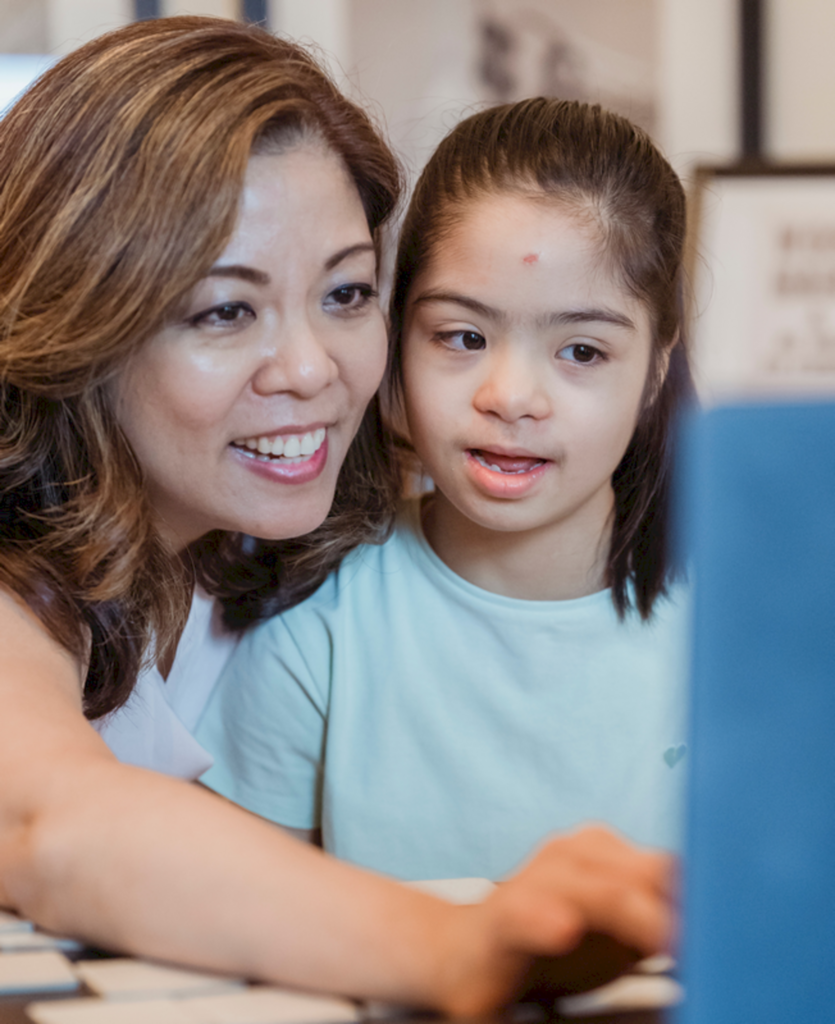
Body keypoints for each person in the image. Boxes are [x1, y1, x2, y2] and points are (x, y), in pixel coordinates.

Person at [0, 20, 673, 1014]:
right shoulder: (20, 575)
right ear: (83, 318)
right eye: (225, 310)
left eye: (347, 292)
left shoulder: (271, 546)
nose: (315, 369)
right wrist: (454, 944)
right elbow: (44, 822)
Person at [197, 98, 695, 882]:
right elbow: (236, 918)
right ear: (395, 335)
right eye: (462, 337)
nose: (510, 394)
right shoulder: (316, 627)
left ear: (655, 370)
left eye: (581, 351)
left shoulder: (747, 630)